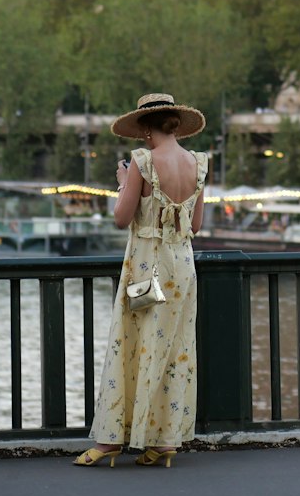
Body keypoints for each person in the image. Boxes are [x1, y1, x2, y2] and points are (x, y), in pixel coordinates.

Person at [74, 92, 207, 470]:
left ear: (146, 128)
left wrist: (122, 182)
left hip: (147, 269)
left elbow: (121, 217)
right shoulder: (198, 163)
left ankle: (109, 440)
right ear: (176, 124)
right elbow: (195, 226)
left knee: (132, 342)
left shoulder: (142, 162)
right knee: (174, 350)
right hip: (182, 269)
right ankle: (164, 443)